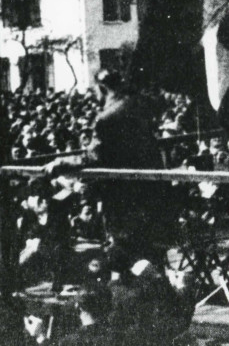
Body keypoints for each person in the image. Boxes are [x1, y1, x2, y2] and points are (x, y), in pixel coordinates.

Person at [43, 70, 176, 264]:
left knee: (126, 257)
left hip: (124, 199)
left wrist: (61, 163)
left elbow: (94, 156)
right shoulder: (139, 105)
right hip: (151, 192)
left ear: (102, 88)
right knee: (151, 256)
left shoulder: (107, 118)